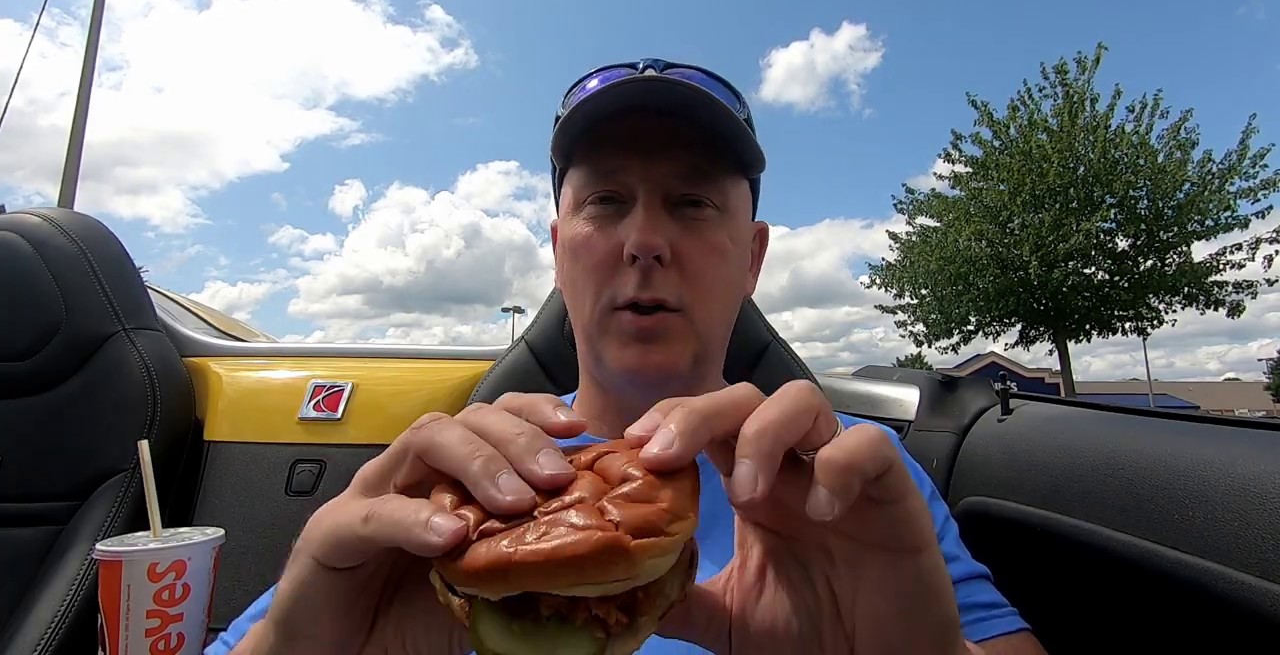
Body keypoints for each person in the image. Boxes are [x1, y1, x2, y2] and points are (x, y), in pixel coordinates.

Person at [208, 59, 1047, 655]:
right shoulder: (437, 504)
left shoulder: (852, 483)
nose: (645, 240)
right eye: (605, 202)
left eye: (691, 202)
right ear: (558, 249)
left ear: (753, 258)